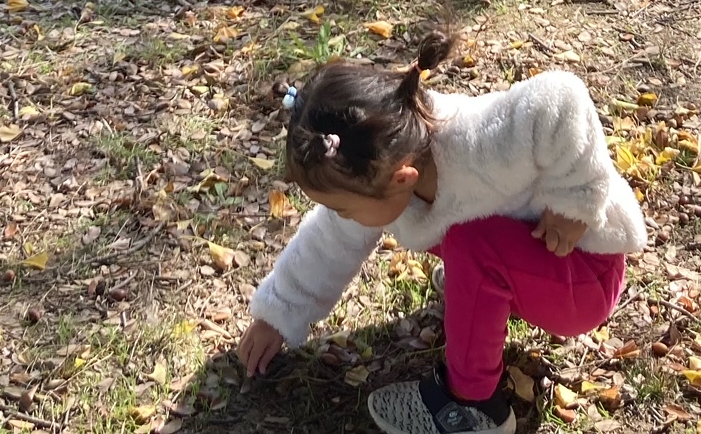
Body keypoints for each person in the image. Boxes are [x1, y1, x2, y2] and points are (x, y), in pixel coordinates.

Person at [237, 30, 647, 434]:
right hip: (534, 262)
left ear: (402, 179)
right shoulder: (383, 157)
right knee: (461, 240)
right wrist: (278, 314)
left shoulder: (479, 140)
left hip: (582, 274)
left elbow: (562, 97)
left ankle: (470, 404)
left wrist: (575, 203)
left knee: (471, 244)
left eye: (343, 208)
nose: (341, 217)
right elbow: (328, 241)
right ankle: (482, 293)